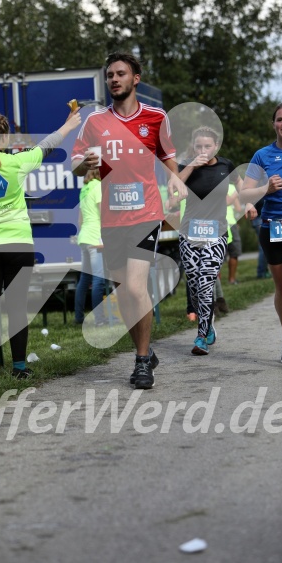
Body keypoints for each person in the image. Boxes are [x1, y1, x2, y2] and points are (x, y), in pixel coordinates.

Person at [71, 51, 187, 389]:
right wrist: (86, 165)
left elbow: (167, 156)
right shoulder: (95, 122)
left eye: (120, 74)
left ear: (135, 78)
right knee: (122, 291)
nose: (114, 80)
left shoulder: (155, 117)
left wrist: (176, 184)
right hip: (111, 218)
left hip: (146, 213)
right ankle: (145, 349)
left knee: (136, 287)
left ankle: (140, 362)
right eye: (110, 76)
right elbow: (77, 164)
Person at [0, 109, 81, 382]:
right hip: (19, 245)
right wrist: (68, 124)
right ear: (5, 137)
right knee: (17, 307)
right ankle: (20, 368)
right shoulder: (18, 162)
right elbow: (47, 146)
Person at [177, 126, 253, 355]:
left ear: (216, 146)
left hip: (216, 233)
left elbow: (242, 189)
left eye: (207, 146)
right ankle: (208, 324)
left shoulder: (226, 165)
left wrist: (249, 204)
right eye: (198, 146)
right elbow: (175, 188)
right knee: (193, 283)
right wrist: (191, 166)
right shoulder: (185, 166)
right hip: (189, 234)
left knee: (205, 282)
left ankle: (201, 337)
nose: (203, 150)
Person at [240, 102, 282, 365]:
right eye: (280, 119)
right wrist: (266, 189)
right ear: (274, 124)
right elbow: (244, 193)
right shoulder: (262, 155)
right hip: (272, 226)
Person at [74, 170, 107, 326]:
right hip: (95, 237)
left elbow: (80, 219)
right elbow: (103, 213)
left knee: (85, 279)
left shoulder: (84, 188)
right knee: (98, 280)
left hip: (84, 237)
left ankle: (79, 317)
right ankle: (100, 320)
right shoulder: (98, 186)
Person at [226, 184, 243, 284]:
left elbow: (238, 208)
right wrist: (237, 192)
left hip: (228, 222)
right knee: (234, 252)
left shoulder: (213, 182)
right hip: (227, 222)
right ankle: (231, 279)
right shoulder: (232, 187)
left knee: (220, 254)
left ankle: (216, 281)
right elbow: (237, 208)